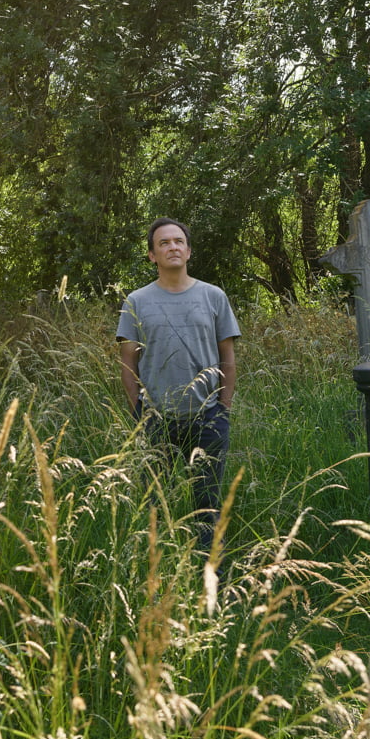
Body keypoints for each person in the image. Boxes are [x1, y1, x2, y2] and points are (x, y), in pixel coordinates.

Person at [117, 217, 240, 554]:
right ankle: (160, 574)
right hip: (156, 419)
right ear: (152, 256)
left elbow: (227, 357)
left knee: (207, 507)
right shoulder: (137, 301)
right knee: (156, 506)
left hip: (208, 419)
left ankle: (211, 577)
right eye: (163, 243)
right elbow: (128, 363)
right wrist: (139, 413)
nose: (172, 247)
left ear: (188, 251)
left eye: (177, 242)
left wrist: (223, 411)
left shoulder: (213, 297)